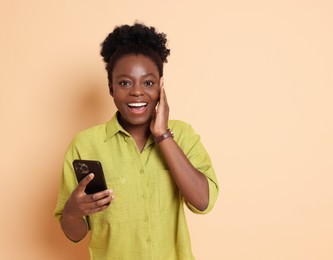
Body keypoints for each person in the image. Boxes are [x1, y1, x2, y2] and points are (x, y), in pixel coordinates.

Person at [54, 22, 219, 259]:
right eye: (124, 83)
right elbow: (75, 234)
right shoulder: (85, 145)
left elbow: (203, 202)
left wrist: (163, 135)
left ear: (161, 86)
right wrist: (72, 212)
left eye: (148, 82)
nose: (137, 92)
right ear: (110, 87)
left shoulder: (182, 135)